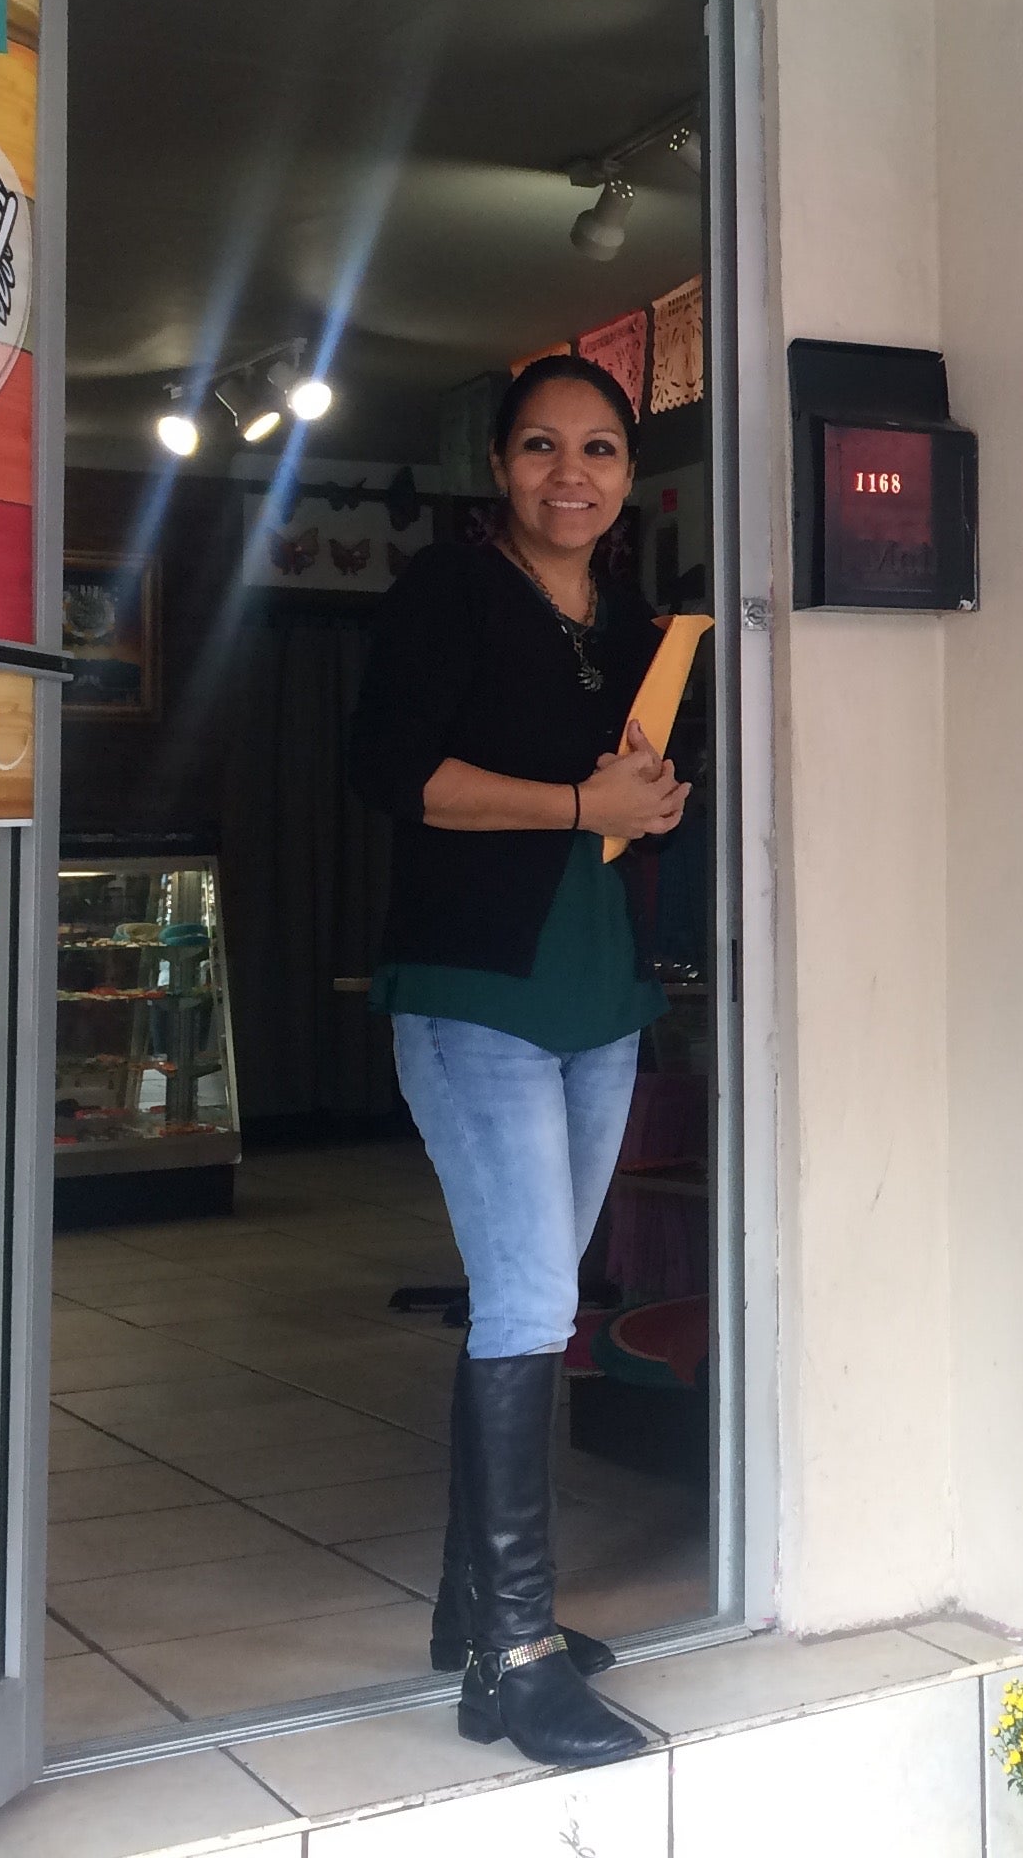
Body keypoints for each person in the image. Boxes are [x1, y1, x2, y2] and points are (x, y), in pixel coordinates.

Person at [348, 353, 684, 1768]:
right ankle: (516, 1660)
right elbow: (391, 776)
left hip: (598, 995)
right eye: (542, 447)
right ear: (500, 465)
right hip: (475, 991)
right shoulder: (449, 592)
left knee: (525, 1301)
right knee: (536, 1297)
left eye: (599, 450)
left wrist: (652, 800)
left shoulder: (629, 617)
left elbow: (637, 795)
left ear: (626, 473)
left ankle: (471, 1603)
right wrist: (578, 800)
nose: (573, 474)